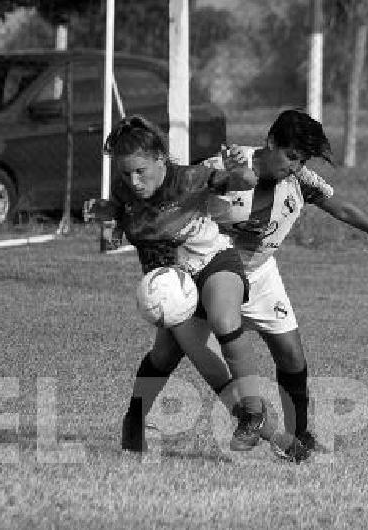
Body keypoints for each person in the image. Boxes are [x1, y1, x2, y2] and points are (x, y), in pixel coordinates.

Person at [131, 109, 368, 462]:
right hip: (209, 271)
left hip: (259, 275)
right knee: (166, 353)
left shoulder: (300, 180)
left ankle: (300, 437)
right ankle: (134, 425)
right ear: (270, 142)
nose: (294, 166)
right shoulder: (225, 167)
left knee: (291, 353)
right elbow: (173, 198)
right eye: (290, 156)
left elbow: (343, 209)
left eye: (300, 159)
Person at [85, 115, 271, 454]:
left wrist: (238, 169)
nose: (134, 180)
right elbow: (115, 237)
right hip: (171, 281)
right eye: (126, 173)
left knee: (224, 320)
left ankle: (254, 413)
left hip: (214, 261)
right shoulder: (123, 192)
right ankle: (134, 421)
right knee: (168, 353)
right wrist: (107, 214)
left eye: (141, 171)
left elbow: (243, 180)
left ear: (160, 159)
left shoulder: (188, 178)